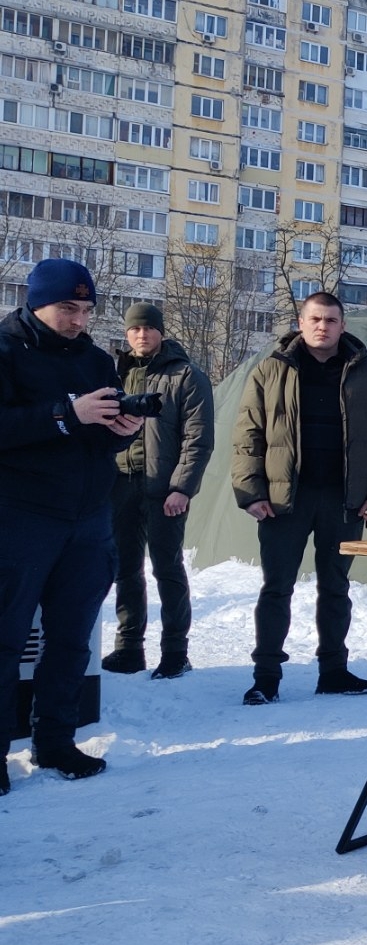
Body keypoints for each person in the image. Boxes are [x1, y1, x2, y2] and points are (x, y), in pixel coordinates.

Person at [0, 259, 146, 793]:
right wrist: (65, 414)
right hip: (19, 517)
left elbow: (98, 437)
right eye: (68, 308)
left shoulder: (94, 360)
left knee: (70, 640)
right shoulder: (7, 350)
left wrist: (122, 431)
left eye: (86, 309)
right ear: (35, 301)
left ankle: (56, 741)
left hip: (87, 520)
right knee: (5, 638)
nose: (78, 319)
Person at [231, 291, 367, 706]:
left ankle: (334, 672)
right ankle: (266, 678)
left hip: (344, 501)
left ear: (343, 325)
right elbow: (247, 437)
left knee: (335, 587)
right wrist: (252, 493)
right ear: (300, 322)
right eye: (314, 319)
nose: (322, 327)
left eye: (330, 320)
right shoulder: (271, 371)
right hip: (284, 501)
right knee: (276, 588)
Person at [102, 303, 214, 680]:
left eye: (149, 328)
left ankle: (175, 652)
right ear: (126, 333)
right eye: (135, 329)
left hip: (164, 489)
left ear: (161, 332)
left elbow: (198, 440)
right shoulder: (113, 374)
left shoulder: (186, 376)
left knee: (167, 568)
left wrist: (181, 488)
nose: (142, 335)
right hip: (120, 484)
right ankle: (129, 647)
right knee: (126, 570)